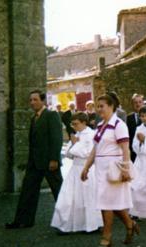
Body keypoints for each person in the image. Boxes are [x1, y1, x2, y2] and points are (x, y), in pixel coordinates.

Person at [81, 93, 139, 247]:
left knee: (107, 203)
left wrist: (126, 169)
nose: (99, 109)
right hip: (100, 168)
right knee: (109, 202)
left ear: (111, 106)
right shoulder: (100, 126)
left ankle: (106, 237)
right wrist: (86, 167)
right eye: (97, 106)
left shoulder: (119, 125)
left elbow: (126, 149)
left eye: (102, 106)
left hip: (114, 168)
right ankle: (130, 224)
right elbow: (95, 149)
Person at [6, 90, 63, 229]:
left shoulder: (51, 115)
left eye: (35, 100)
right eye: (31, 100)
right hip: (34, 163)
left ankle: (70, 220)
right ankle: (22, 221)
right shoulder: (34, 117)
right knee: (27, 191)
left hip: (49, 162)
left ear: (43, 101)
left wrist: (54, 159)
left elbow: (56, 138)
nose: (32, 103)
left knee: (60, 192)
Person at [51, 112, 102, 233]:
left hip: (87, 168)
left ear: (84, 123)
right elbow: (69, 154)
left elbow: (88, 153)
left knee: (88, 198)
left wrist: (75, 144)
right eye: (72, 124)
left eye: (76, 124)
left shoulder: (91, 134)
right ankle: (67, 225)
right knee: (69, 197)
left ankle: (92, 224)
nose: (74, 126)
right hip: (75, 169)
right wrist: (73, 145)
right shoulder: (77, 134)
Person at [127, 94, 144, 162]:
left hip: (145, 150)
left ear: (143, 103)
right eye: (135, 102)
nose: (138, 104)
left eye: (140, 102)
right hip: (133, 152)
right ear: (132, 104)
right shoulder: (128, 118)